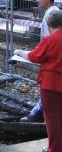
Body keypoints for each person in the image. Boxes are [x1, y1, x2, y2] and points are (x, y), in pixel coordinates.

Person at [14, 10, 62, 152]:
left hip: (51, 84)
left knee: (52, 118)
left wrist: (20, 52)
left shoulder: (49, 40)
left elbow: (35, 57)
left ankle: (54, 149)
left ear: (48, 23)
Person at [22, 0, 60, 122]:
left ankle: (36, 115)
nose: (37, 0)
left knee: (49, 89)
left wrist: (41, 52)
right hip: (50, 54)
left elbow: (50, 38)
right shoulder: (50, 12)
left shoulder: (52, 13)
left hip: (52, 58)